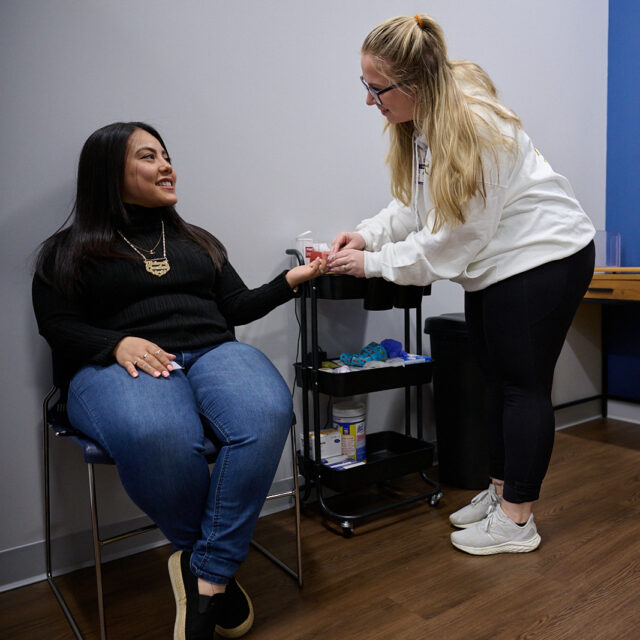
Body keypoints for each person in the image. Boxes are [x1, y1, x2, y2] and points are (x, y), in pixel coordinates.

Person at [33, 121, 325, 639]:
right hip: (117, 363)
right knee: (158, 434)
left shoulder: (196, 240)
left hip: (213, 351)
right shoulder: (67, 250)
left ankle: (205, 573)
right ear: (108, 174)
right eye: (149, 157)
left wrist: (291, 282)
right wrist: (114, 343)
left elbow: (235, 306)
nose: (167, 165)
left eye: (165, 155)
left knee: (267, 412)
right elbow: (56, 325)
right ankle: (211, 564)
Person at [329, 14, 595, 556]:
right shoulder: (429, 116)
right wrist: (367, 235)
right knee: (495, 382)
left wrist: (374, 264)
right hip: (499, 262)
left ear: (412, 84)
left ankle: (518, 521)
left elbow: (450, 244)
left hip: (543, 256)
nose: (369, 102)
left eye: (376, 90)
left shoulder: (474, 127)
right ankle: (500, 493)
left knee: (522, 385)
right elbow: (415, 202)